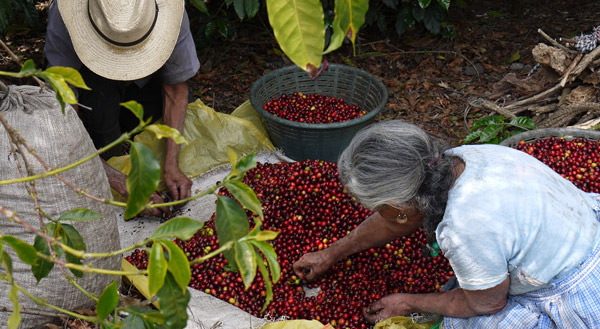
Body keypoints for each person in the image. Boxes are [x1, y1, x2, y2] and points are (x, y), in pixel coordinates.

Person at [293, 120, 600, 328]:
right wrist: (332, 253)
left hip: (580, 285)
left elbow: (487, 303)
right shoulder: (458, 159)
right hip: (580, 226)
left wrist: (407, 303)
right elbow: (396, 221)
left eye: (375, 206)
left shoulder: (465, 228)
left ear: (397, 206)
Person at [44, 0, 200, 217]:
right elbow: (64, 116)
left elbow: (175, 90)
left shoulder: (170, 12)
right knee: (100, 118)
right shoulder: (64, 17)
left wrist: (171, 164)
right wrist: (118, 181)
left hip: (150, 82)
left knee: (174, 125)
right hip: (95, 82)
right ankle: (109, 152)